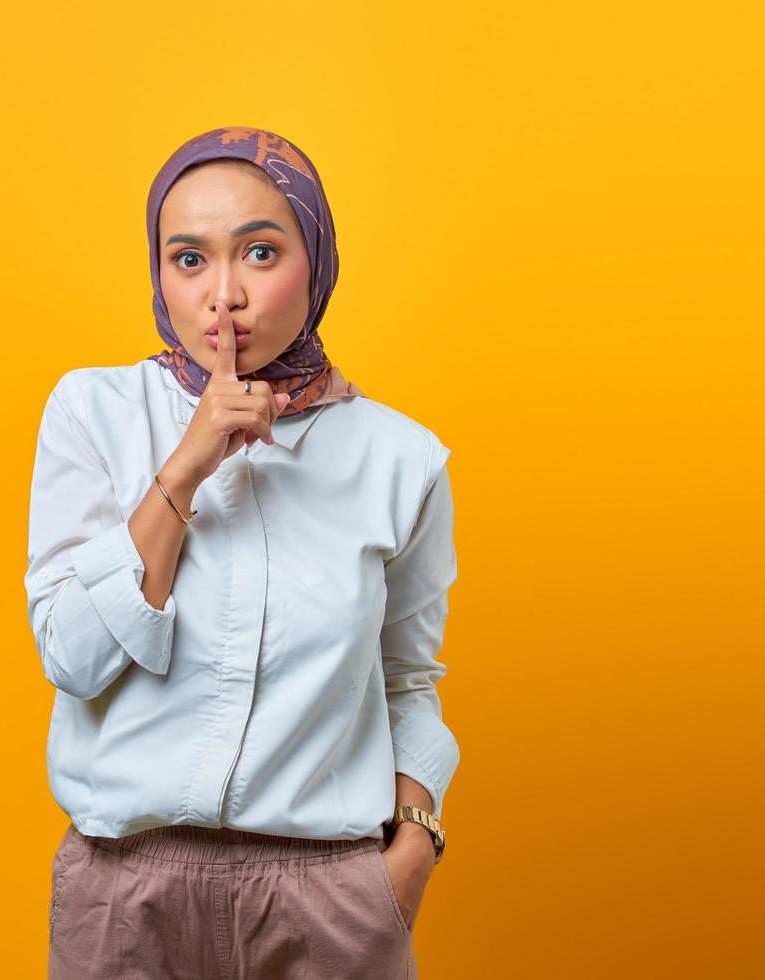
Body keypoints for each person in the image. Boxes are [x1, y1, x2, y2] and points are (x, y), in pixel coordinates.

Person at [25, 127, 458, 979]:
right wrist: (185, 467)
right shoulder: (92, 411)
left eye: (260, 252)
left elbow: (406, 678)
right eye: (188, 260)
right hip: (124, 894)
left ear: (316, 259)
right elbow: (71, 657)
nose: (223, 296)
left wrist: (413, 846)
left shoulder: (401, 458)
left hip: (328, 896)